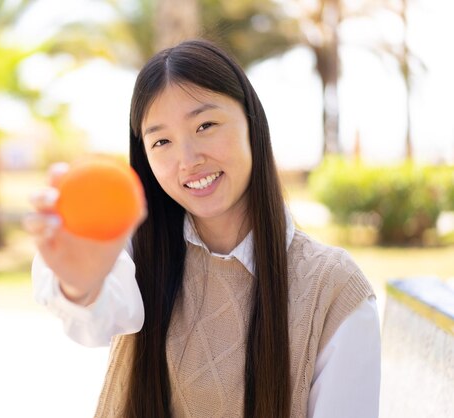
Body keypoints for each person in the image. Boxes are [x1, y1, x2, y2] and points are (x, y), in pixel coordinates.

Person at [25, 39, 381, 418]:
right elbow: (96, 314)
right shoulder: (137, 251)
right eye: (161, 140)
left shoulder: (333, 290)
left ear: (251, 122)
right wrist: (79, 285)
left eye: (205, 125)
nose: (188, 160)